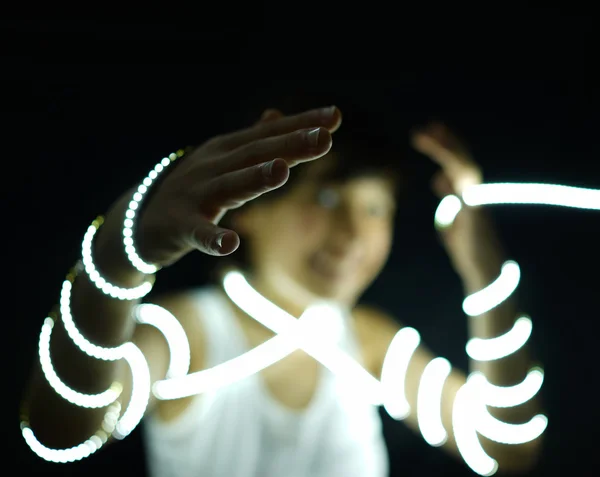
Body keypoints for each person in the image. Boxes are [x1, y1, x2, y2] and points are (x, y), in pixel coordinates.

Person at [21, 98, 544, 477]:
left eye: (376, 207)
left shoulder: (368, 345)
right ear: (246, 207)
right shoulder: (188, 336)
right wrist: (118, 254)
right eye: (328, 199)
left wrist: (485, 272)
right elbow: (62, 430)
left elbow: (507, 447)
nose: (355, 234)